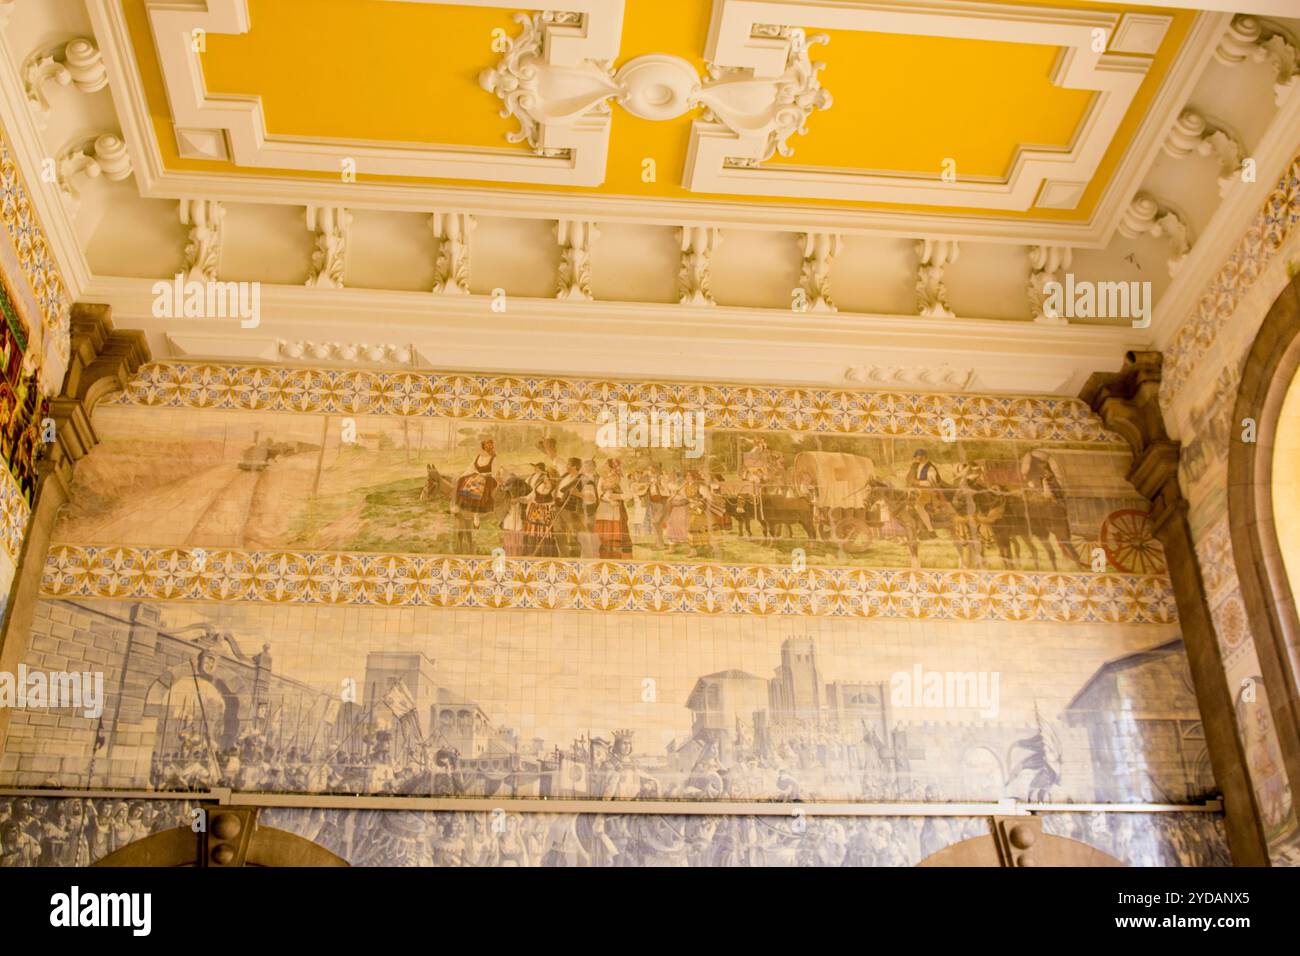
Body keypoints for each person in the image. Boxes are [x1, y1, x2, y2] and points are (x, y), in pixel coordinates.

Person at [453, 438, 498, 529]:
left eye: (489, 447)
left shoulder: (494, 458)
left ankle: (476, 514)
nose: (487, 449)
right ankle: (459, 506)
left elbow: (495, 471)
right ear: (483, 447)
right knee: (463, 480)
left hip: (488, 478)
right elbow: (471, 467)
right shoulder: (478, 457)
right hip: (477, 475)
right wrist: (463, 475)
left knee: (479, 486)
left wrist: (489, 477)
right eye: (485, 447)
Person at [905, 448, 943, 538]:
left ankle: (931, 530)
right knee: (905, 505)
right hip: (915, 490)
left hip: (928, 490)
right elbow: (909, 478)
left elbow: (932, 483)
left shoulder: (930, 468)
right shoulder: (915, 466)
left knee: (918, 506)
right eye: (917, 457)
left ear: (925, 457)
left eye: (920, 457)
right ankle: (916, 529)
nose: (918, 459)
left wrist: (917, 483)